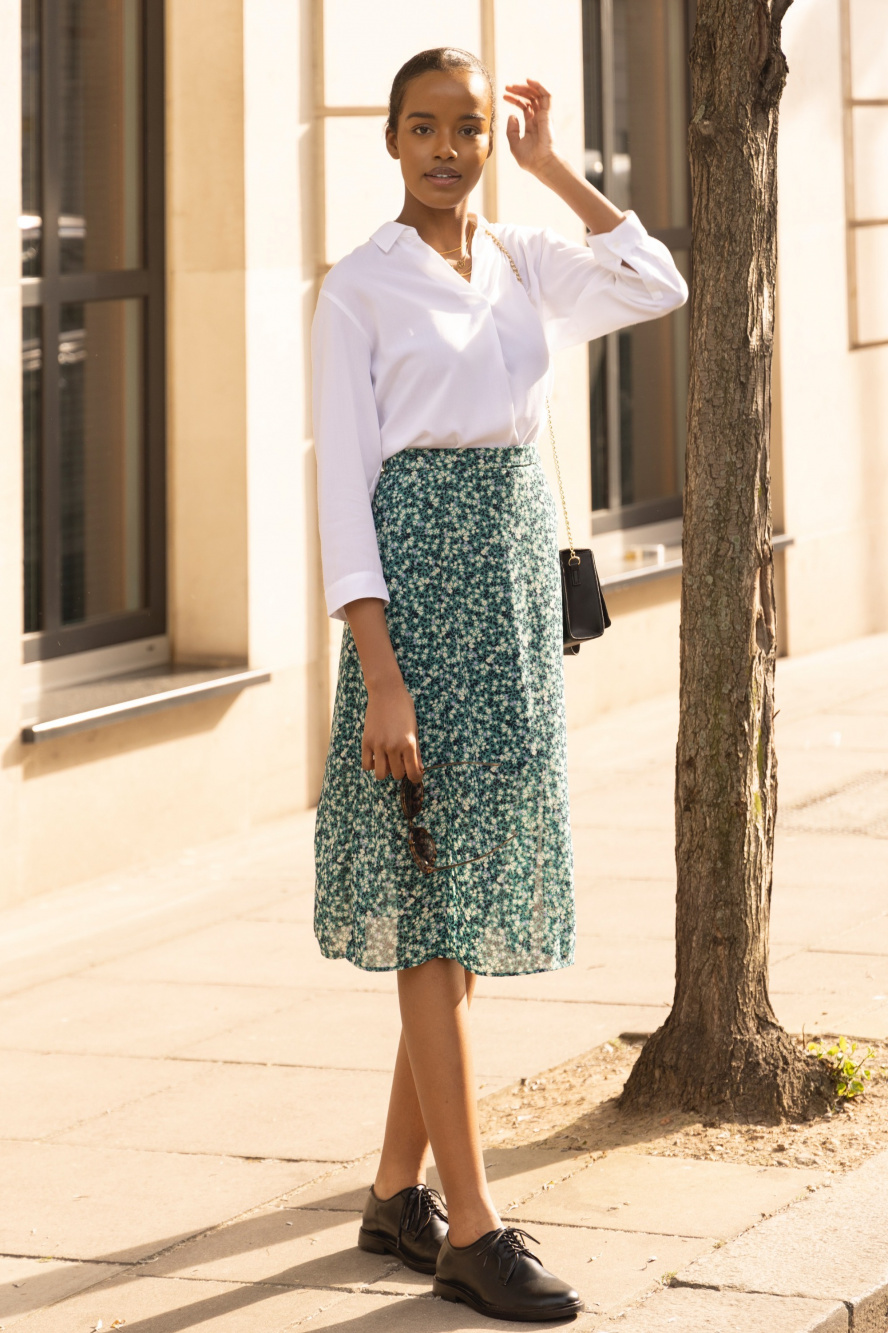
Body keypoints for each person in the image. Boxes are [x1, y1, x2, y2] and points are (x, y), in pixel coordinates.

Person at [311, 47, 688, 1322]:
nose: (445, 149)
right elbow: (341, 499)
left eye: (467, 129)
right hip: (417, 605)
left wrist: (554, 169)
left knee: (459, 896)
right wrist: (381, 677)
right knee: (432, 898)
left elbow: (658, 278)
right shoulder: (356, 289)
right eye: (423, 127)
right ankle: (471, 1227)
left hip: (516, 598)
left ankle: (389, 1193)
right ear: (390, 140)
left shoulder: (526, 258)